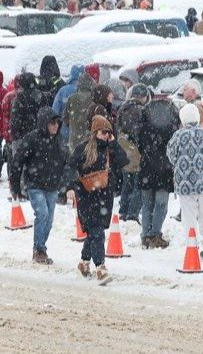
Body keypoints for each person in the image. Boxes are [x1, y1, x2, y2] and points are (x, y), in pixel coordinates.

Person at [71, 115, 129, 284]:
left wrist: (113, 143)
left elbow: (124, 160)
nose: (106, 135)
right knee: (96, 232)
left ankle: (83, 263)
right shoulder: (83, 149)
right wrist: (69, 187)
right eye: (103, 132)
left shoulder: (109, 149)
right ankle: (100, 268)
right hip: (86, 195)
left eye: (109, 133)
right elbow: (70, 166)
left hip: (104, 196)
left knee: (94, 232)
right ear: (95, 132)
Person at [10, 107, 69, 264]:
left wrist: (67, 187)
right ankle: (39, 249)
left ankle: (41, 246)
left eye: (57, 123)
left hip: (52, 186)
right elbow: (17, 161)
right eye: (52, 123)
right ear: (44, 124)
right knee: (42, 214)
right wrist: (15, 186)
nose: (55, 126)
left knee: (48, 220)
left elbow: (66, 165)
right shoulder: (32, 139)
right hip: (35, 185)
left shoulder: (60, 141)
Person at [166, 103, 203, 261]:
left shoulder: (178, 136)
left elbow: (171, 156)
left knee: (189, 215)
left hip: (185, 182)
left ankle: (192, 245)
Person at [137, 97, 178, 249]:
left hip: (147, 168)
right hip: (164, 171)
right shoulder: (171, 127)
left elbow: (140, 145)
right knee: (161, 204)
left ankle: (146, 235)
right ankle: (155, 234)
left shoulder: (145, 126)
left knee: (147, 204)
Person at [115, 84, 149, 222]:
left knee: (126, 183)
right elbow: (140, 133)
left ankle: (123, 210)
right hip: (136, 151)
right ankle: (133, 214)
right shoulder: (141, 110)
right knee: (139, 184)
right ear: (143, 96)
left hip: (124, 150)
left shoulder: (122, 108)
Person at [62, 67, 99, 147]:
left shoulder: (72, 98)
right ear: (90, 85)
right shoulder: (94, 99)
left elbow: (65, 118)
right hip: (90, 140)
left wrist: (73, 124)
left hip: (74, 140)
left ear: (79, 84)